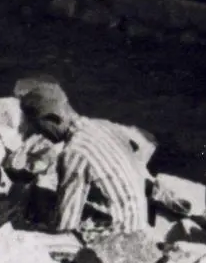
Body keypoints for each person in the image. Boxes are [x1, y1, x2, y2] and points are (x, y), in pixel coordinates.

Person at [9, 81, 152, 234]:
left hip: (116, 234)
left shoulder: (75, 152)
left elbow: (66, 224)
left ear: (54, 118)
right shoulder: (104, 125)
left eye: (38, 126)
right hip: (137, 219)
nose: (39, 133)